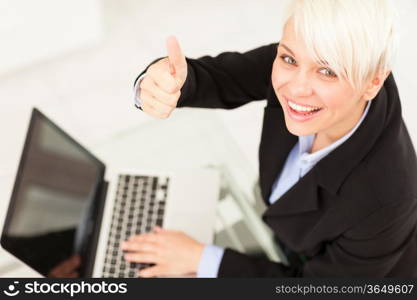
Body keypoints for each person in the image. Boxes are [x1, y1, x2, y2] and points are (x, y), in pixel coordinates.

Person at [121, 0, 417, 277]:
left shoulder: (386, 198)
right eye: (288, 58)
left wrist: (202, 259)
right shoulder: (305, 61)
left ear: (373, 82)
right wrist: (160, 83)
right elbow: (221, 78)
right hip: (287, 232)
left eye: (327, 71)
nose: (295, 88)